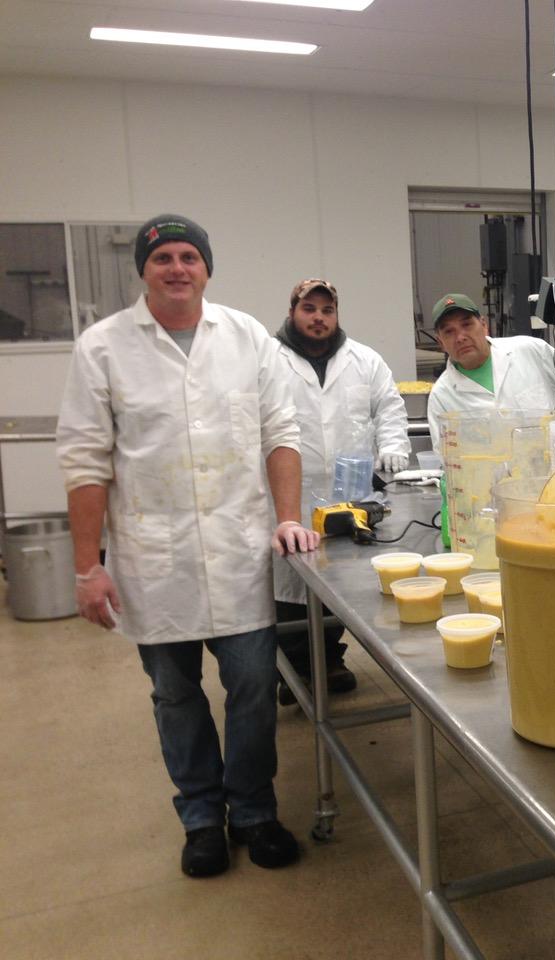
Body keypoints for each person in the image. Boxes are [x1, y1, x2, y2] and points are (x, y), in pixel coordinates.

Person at [56, 214, 320, 880]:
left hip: (236, 551)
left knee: (255, 689)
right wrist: (88, 568)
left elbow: (280, 432)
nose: (178, 268)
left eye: (189, 257)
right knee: (175, 696)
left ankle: (254, 811)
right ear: (143, 269)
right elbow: (85, 462)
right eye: (164, 258)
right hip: (154, 557)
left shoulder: (246, 338)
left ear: (207, 267)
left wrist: (289, 516)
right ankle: (201, 818)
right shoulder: (103, 347)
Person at [272, 277, 410, 705]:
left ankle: (331, 660)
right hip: (288, 494)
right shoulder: (268, 360)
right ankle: (294, 670)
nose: (318, 318)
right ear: (293, 311)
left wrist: (392, 446)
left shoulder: (364, 360)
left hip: (346, 494)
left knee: (341, 584)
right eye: (309, 309)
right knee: (290, 590)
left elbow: (388, 406)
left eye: (327, 310)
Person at [425, 292, 555, 443]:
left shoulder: (530, 349)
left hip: (551, 473)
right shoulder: (442, 396)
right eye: (449, 332)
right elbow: (449, 458)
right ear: (440, 343)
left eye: (467, 325)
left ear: (484, 325)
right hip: (486, 479)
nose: (460, 337)